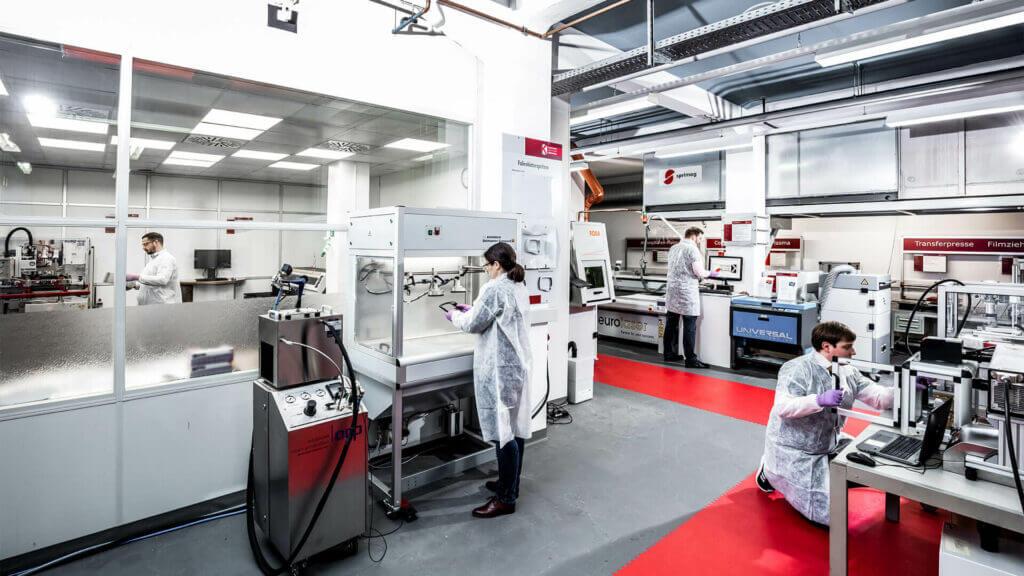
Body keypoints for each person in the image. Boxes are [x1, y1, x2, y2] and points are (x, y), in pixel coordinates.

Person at [756, 321, 895, 527]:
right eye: (847, 347)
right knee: (831, 516)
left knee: (877, 462)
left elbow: (879, 398)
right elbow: (783, 407)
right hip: (798, 450)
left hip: (830, 440)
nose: (853, 352)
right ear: (827, 347)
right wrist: (818, 400)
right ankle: (769, 471)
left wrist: (906, 388)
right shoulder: (797, 369)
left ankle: (828, 469)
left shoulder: (849, 371)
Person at [446, 242, 532, 519]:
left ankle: (505, 499)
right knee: (513, 429)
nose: (485, 270)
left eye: (486, 265)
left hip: (499, 371)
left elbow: (472, 324)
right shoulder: (518, 285)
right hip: (516, 367)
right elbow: (496, 316)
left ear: (496, 264)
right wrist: (473, 308)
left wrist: (455, 315)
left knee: (504, 433)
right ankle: (510, 484)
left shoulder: (494, 288)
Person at [663, 226, 717, 367]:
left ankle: (668, 353)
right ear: (694, 236)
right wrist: (711, 273)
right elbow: (699, 272)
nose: (700, 241)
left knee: (671, 324)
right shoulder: (692, 249)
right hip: (686, 292)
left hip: (672, 291)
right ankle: (691, 360)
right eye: (700, 238)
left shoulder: (673, 248)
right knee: (689, 326)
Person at [127, 232, 181, 305]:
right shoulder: (153, 260)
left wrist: (137, 277)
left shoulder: (167, 259)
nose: (143, 248)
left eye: (146, 244)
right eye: (143, 245)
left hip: (161, 305)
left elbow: (162, 280)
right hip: (149, 306)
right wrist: (134, 285)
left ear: (156, 242)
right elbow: (150, 283)